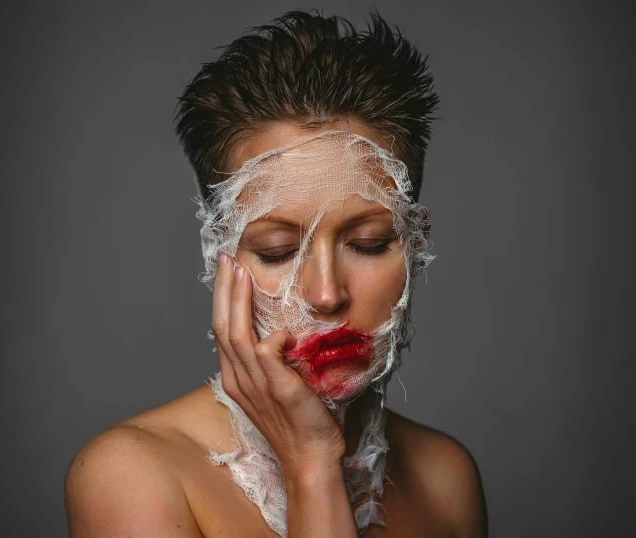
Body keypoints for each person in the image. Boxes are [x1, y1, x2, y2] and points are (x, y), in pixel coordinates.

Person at [65, 10, 488, 537]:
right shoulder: (133, 477)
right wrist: (311, 463)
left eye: (368, 243)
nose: (326, 294)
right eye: (277, 250)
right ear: (217, 255)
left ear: (416, 244)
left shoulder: (446, 478)